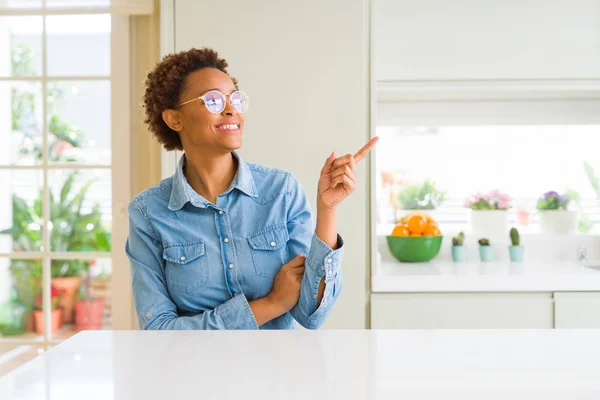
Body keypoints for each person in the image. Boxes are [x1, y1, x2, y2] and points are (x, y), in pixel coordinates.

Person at [125, 47, 378, 330]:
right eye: (213, 100)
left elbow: (311, 315)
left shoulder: (282, 191)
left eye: (235, 98)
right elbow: (158, 330)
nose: (231, 109)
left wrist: (328, 209)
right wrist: (271, 304)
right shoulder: (148, 212)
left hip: (278, 371)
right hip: (197, 373)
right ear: (175, 119)